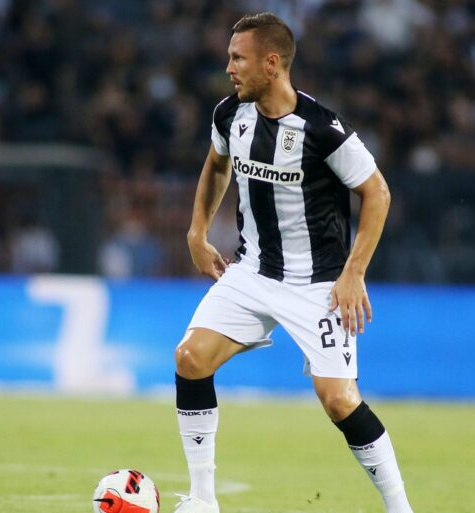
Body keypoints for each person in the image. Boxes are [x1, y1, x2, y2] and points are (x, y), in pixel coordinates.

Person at [173, 12, 414, 513]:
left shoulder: (323, 129)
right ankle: (202, 499)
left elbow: (378, 192)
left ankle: (400, 508)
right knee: (190, 358)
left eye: (238, 58)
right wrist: (197, 231)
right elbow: (217, 164)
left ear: (272, 62)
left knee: (339, 400)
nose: (229, 68)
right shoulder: (230, 115)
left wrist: (353, 273)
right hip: (251, 272)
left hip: (318, 284)